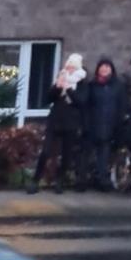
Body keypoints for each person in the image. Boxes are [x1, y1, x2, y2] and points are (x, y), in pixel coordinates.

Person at [28, 53, 89, 194]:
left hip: (71, 123)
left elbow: (81, 102)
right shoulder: (61, 77)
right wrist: (57, 87)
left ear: (78, 68)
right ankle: (35, 180)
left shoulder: (82, 83)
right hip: (55, 121)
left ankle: (59, 181)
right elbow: (48, 98)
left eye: (73, 67)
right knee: (45, 152)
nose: (70, 69)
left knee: (66, 155)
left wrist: (68, 89)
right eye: (68, 66)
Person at [82, 57, 128, 191]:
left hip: (110, 126)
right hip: (93, 124)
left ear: (112, 69)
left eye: (107, 67)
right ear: (98, 69)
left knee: (104, 156)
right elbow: (87, 106)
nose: (104, 69)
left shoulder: (118, 86)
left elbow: (122, 106)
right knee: (87, 155)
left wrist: (119, 124)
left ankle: (102, 181)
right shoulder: (92, 85)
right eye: (102, 67)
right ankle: (84, 181)